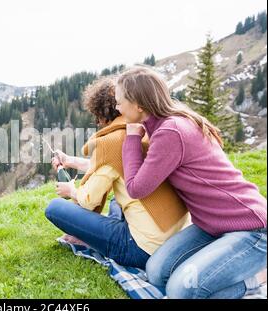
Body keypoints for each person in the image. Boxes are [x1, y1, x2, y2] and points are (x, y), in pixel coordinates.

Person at [116, 66, 267, 298]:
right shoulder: (169, 124)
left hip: (251, 228)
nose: (117, 107)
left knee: (180, 291)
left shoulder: (170, 131)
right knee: (156, 273)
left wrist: (133, 136)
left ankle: (255, 279)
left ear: (139, 105)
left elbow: (136, 188)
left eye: (119, 101)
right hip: (212, 225)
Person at [44, 75, 190, 269]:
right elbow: (116, 167)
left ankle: (92, 239)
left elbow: (89, 201)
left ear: (100, 113)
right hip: (179, 235)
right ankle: (98, 232)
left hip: (142, 250)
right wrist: (71, 161)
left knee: (54, 208)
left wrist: (71, 190)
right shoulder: (142, 128)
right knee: (116, 199)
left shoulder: (110, 142)